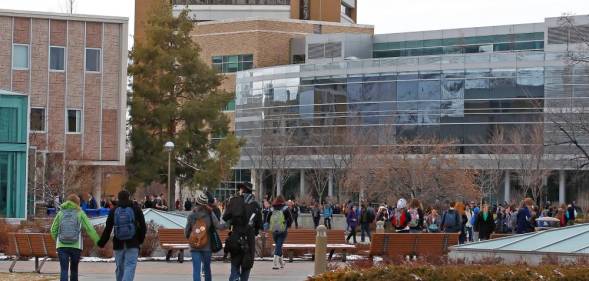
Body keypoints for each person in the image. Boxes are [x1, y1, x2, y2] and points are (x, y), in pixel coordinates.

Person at [98, 190, 147, 281]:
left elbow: (108, 228)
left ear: (119, 198)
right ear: (129, 197)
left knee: (120, 268)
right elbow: (143, 227)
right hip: (133, 243)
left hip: (118, 244)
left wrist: (101, 243)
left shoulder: (114, 210)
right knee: (130, 266)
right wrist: (140, 241)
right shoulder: (136, 209)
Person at [50, 194, 100, 281]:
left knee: (64, 270)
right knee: (74, 270)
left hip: (62, 246)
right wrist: (98, 241)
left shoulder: (60, 213)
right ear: (78, 203)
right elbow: (89, 229)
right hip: (76, 246)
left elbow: (53, 229)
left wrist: (58, 239)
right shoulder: (80, 213)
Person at [222, 183, 263, 281]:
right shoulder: (255, 205)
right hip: (249, 238)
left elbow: (225, 217)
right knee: (246, 264)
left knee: (235, 263)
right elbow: (259, 224)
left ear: (242, 190)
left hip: (235, 236)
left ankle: (235, 277)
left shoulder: (234, 201)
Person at [185, 191, 225, 281]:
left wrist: (192, 239)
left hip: (194, 246)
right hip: (207, 246)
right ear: (206, 203)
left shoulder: (192, 215)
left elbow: (186, 232)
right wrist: (229, 222)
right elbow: (219, 226)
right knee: (207, 269)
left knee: (196, 270)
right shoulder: (210, 214)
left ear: (197, 202)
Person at [266, 195, 292, 270]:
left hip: (274, 230)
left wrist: (272, 224)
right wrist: (287, 224)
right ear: (283, 201)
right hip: (283, 229)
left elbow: (267, 219)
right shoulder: (286, 208)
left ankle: (281, 263)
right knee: (278, 245)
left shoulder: (271, 208)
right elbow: (291, 219)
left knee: (278, 245)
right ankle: (275, 262)